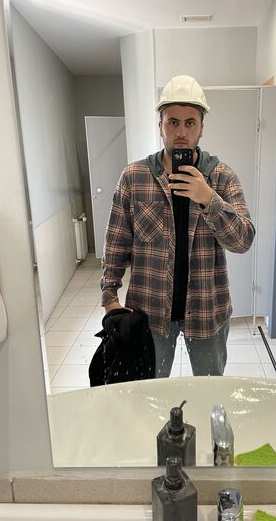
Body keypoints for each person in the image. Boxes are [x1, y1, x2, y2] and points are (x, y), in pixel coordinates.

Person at [101, 75, 255, 378]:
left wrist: (208, 198)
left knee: (210, 390)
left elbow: (243, 240)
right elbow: (116, 242)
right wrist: (109, 297)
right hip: (149, 311)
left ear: (201, 128)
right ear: (160, 125)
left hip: (207, 310)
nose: (181, 132)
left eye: (189, 123)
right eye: (173, 122)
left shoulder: (222, 177)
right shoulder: (135, 177)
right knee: (150, 392)